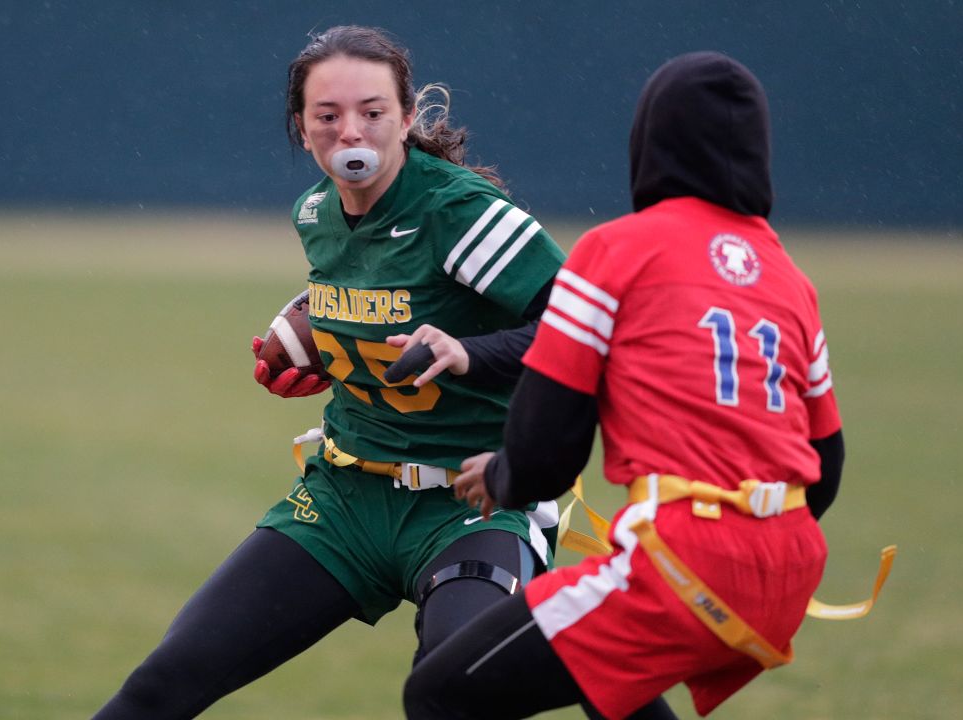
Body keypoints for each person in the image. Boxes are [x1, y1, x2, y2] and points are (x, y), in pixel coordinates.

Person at [92, 25, 568, 718]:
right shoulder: (315, 213)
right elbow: (381, 303)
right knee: (160, 686)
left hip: (470, 505)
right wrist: (331, 356)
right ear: (301, 128)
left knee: (453, 701)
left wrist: (470, 355)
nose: (352, 131)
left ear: (407, 118)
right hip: (343, 500)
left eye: (373, 112)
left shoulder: (457, 212)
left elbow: (585, 328)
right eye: (328, 115)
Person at [403, 51, 846, 719]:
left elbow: (550, 450)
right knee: (604, 685)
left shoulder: (616, 251)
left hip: (684, 558)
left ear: (649, 143)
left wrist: (507, 476)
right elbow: (827, 467)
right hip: (789, 564)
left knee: (441, 695)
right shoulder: (790, 280)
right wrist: (754, 546)